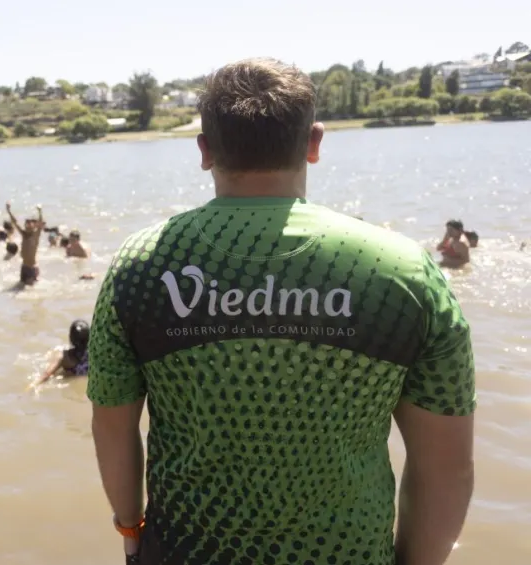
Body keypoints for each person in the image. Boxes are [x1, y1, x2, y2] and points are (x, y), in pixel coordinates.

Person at [86, 59, 475, 565]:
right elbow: (447, 469)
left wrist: (129, 524)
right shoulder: (404, 272)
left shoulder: (140, 266)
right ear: (314, 143)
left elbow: (111, 425)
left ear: (204, 150)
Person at [32, 319, 90, 387]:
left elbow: (46, 375)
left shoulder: (64, 357)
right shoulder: (95, 353)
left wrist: (28, 388)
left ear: (71, 338)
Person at [6, 201, 44, 286]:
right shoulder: (24, 234)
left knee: (29, 290)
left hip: (31, 267)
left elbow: (40, 224)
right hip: (24, 267)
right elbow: (15, 223)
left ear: (34, 226)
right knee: (20, 287)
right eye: (26, 223)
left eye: (30, 223)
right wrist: (9, 211)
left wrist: (40, 212)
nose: (28, 225)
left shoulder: (35, 235)